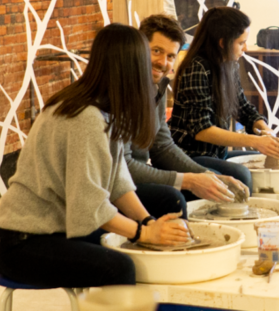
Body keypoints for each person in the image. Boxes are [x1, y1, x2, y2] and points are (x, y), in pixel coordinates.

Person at [0, 24, 190, 287]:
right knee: (120, 268)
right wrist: (144, 233)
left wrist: (148, 221)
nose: (157, 68)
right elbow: (91, 207)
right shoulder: (85, 117)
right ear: (129, 68)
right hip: (23, 240)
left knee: (163, 206)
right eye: (148, 58)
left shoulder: (104, 109)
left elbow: (118, 182)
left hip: (59, 226)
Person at [126, 15, 249, 217]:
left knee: (222, 179)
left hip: (138, 171)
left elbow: (163, 146)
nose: (162, 62)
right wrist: (190, 180)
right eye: (156, 51)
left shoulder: (157, 86)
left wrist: (206, 175)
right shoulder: (123, 90)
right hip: (121, 182)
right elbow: (122, 167)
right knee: (172, 198)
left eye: (170, 56)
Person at [170, 7, 279, 184]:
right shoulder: (196, 68)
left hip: (216, 153)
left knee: (262, 160)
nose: (246, 48)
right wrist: (255, 141)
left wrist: (265, 131)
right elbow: (202, 131)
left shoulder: (228, 64)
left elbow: (243, 108)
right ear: (222, 42)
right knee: (242, 174)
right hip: (189, 155)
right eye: (241, 42)